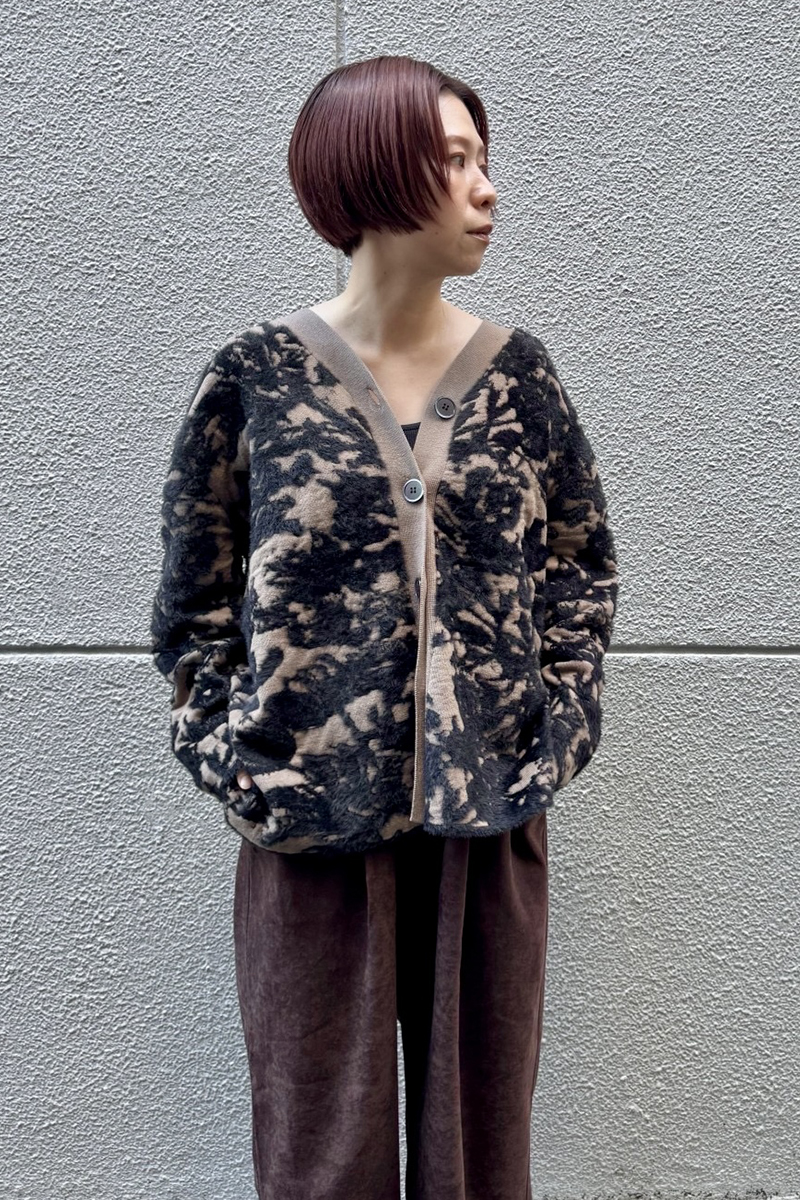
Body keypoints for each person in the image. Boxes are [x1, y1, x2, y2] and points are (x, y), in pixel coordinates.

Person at [151, 53, 619, 1200]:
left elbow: (579, 569)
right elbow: (192, 606)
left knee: (477, 1163)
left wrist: (550, 731)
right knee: (319, 1160)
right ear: (375, 171)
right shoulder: (255, 381)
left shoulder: (519, 382)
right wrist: (241, 764)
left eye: (481, 159)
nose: (486, 188)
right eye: (454, 160)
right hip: (309, 835)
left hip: (484, 822)